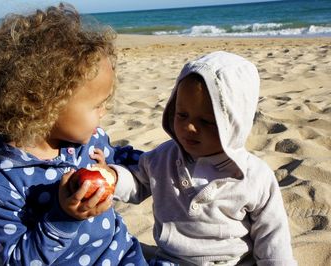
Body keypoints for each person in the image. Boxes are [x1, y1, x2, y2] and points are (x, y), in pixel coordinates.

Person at [0, 3, 148, 265]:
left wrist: (162, 161)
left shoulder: (87, 138)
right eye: (97, 105)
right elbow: (19, 259)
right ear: (44, 106)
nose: (104, 112)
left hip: (121, 254)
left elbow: (119, 157)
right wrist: (64, 216)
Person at [97, 51, 297, 265]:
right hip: (171, 259)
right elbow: (138, 182)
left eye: (207, 122)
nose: (189, 127)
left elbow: (273, 238)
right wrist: (113, 179)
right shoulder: (163, 157)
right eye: (182, 115)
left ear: (234, 125)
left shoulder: (255, 177)